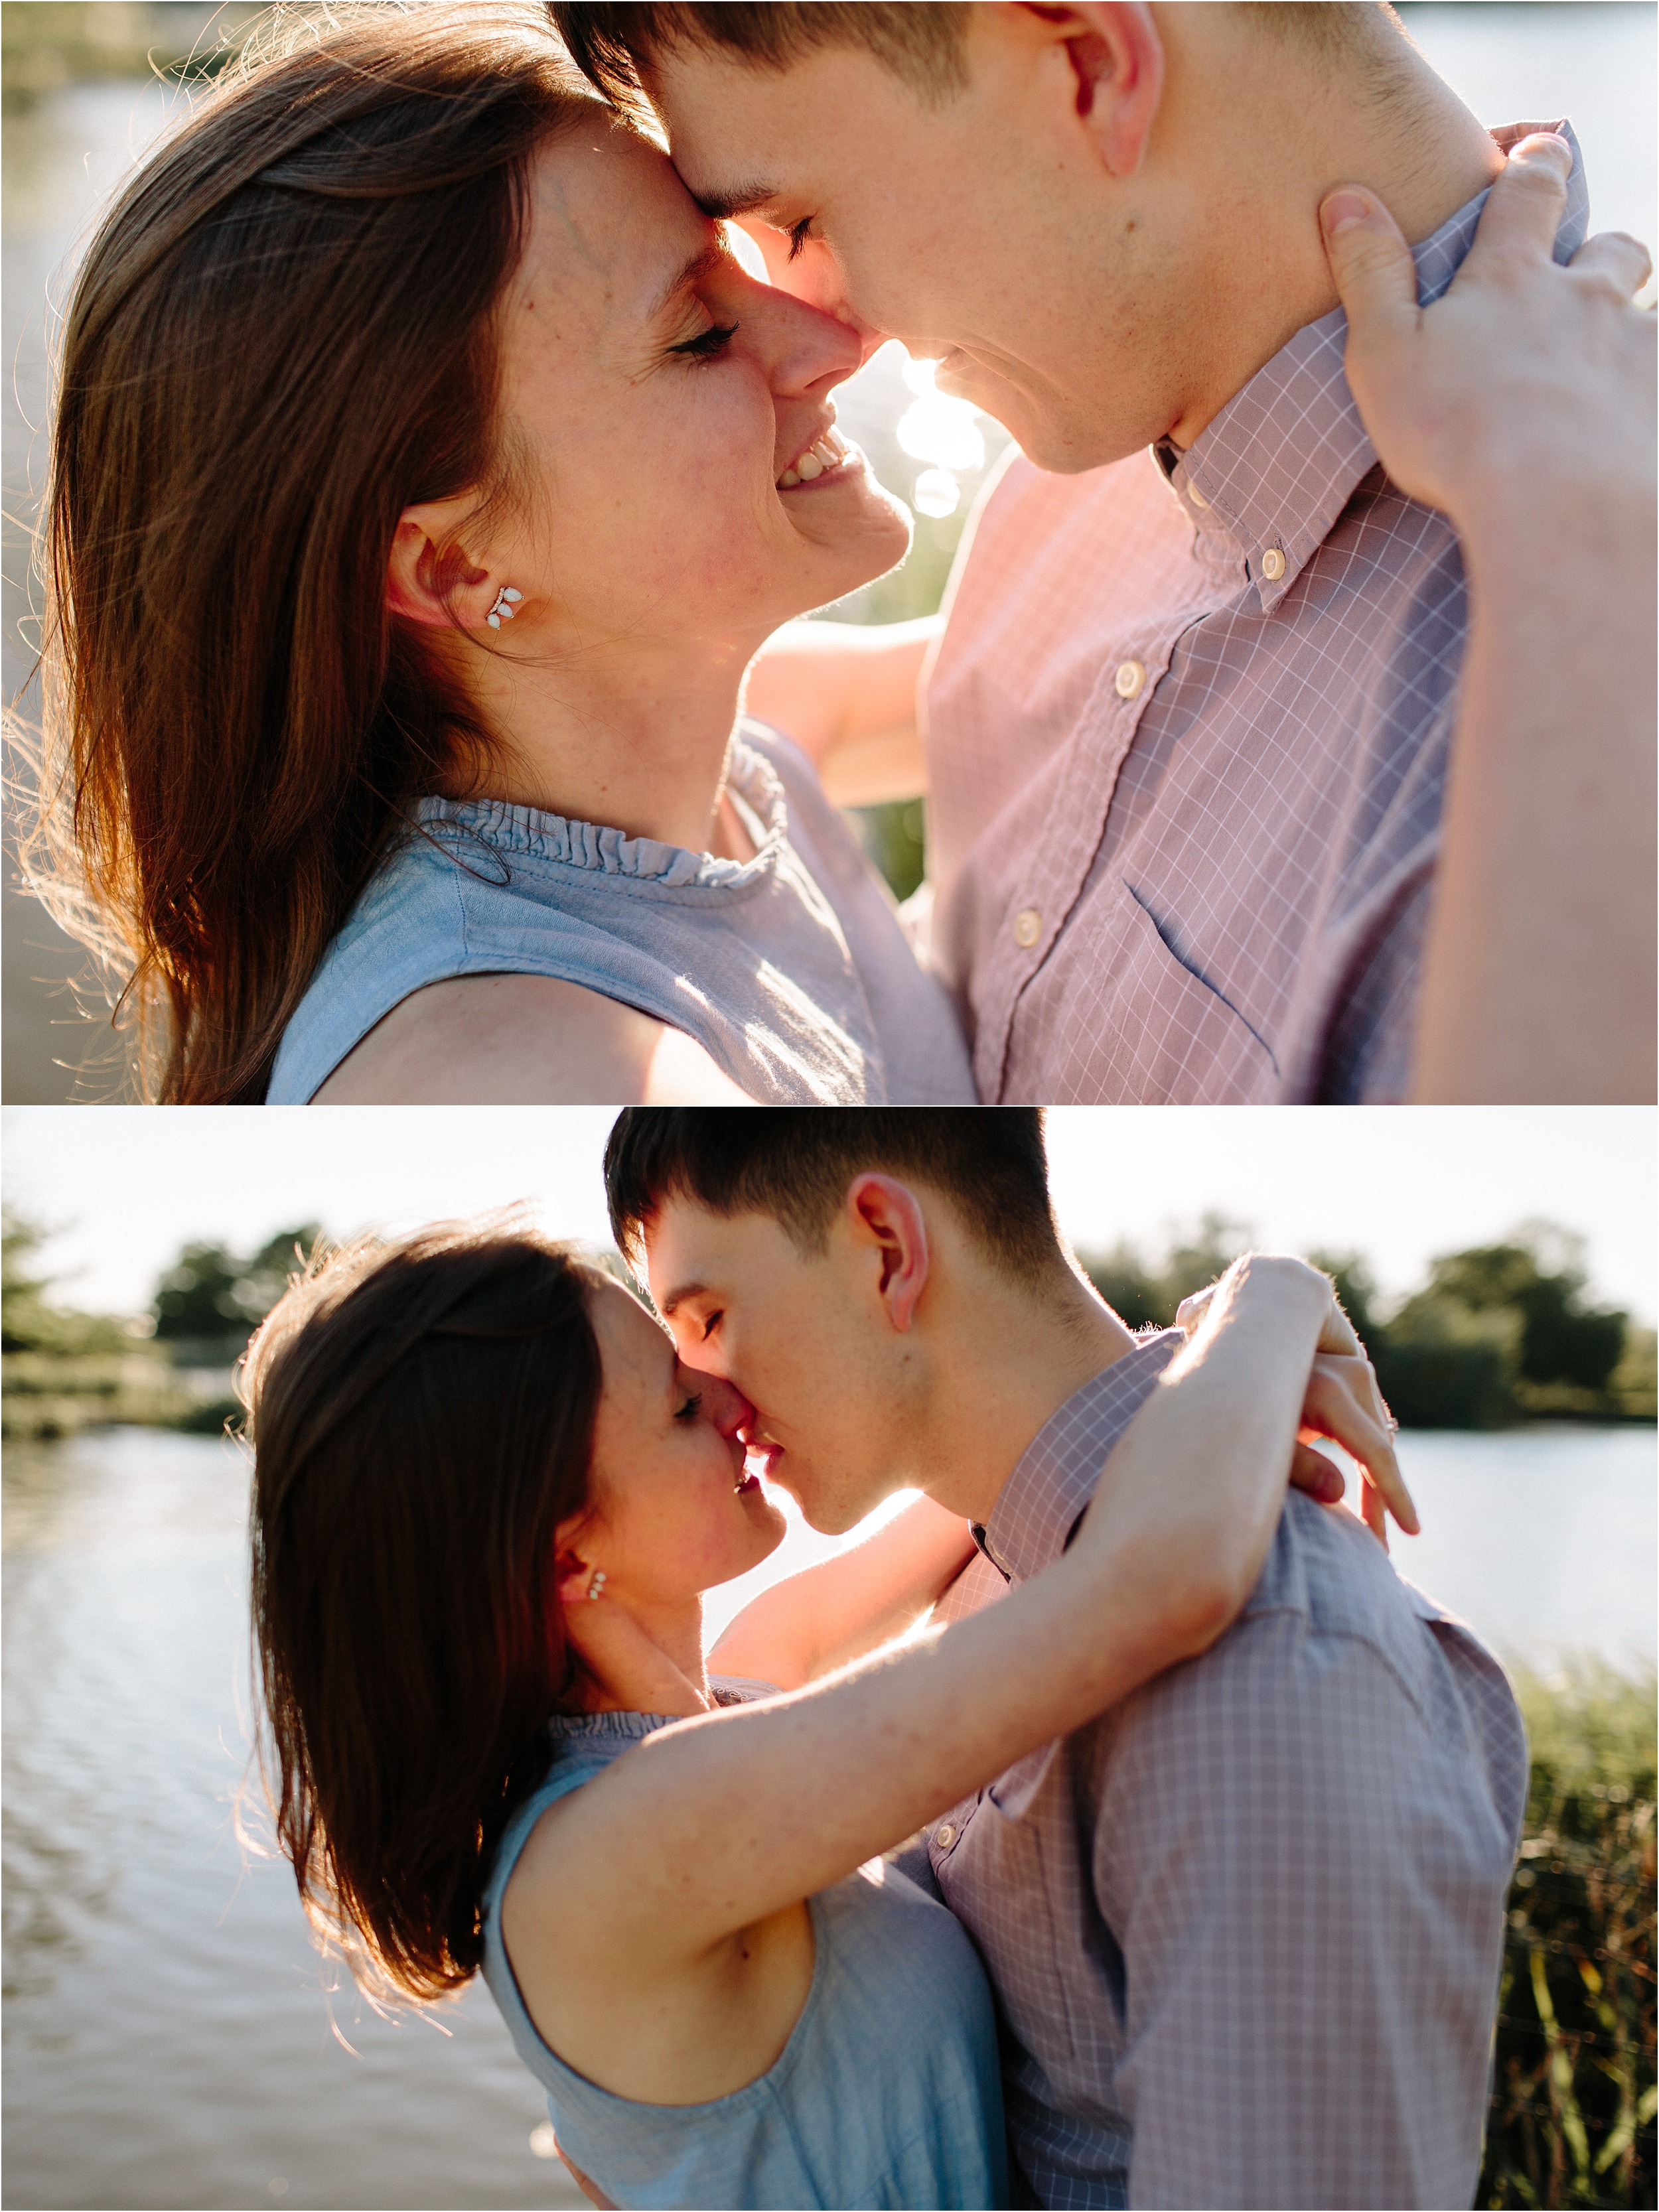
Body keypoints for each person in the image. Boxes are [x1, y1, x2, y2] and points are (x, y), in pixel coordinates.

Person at [555, 1, 1656, 1105]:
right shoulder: (1063, 465)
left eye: (799, 223)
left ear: (1089, 68)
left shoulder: (1585, 700)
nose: (822, 332)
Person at [242, 1208, 1404, 2210]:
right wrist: (1273, 1294)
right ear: (564, 1558)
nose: (731, 1394)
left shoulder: (740, 1698)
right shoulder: (615, 1847)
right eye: (681, 1411)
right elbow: (1162, 1579)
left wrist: (1193, 1362)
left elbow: (1007, 1460)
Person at [23, 5, 972, 1106]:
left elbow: (1003, 685)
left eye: (741, 264)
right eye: (700, 335)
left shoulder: (709, 752)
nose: (838, 340)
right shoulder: (530, 1058)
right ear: (452, 570)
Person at [603, 1107, 1530, 2209]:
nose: (716, 1392)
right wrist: (1250, 1320)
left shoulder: (1269, 1676)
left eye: (709, 1315)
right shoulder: (1000, 1549)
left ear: (888, 1251)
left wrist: (1251, 1321)